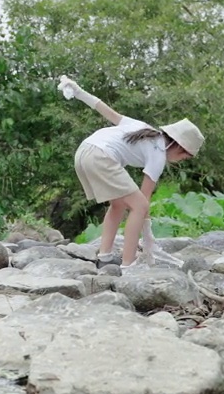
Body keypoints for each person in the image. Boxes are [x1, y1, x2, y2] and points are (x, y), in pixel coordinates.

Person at [59, 75, 203, 268]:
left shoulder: (142, 127)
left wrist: (78, 92)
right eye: (187, 156)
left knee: (118, 204)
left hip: (84, 151)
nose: (183, 160)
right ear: (180, 147)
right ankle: (129, 264)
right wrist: (148, 235)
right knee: (139, 206)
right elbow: (144, 200)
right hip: (101, 156)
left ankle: (105, 257)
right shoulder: (158, 153)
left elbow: (105, 110)